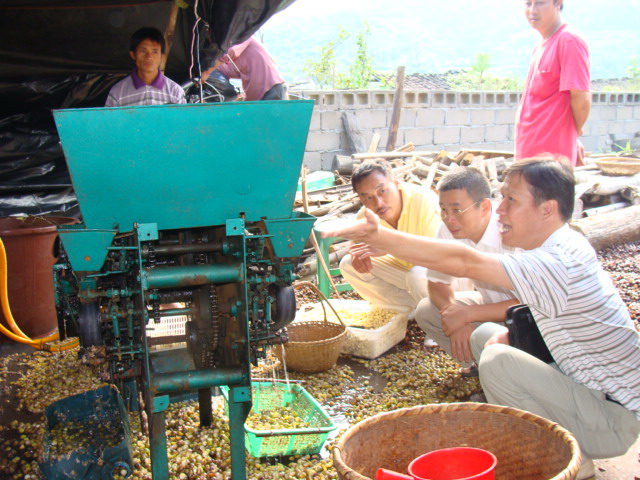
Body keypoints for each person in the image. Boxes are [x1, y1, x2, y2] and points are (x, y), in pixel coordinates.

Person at [322, 158, 640, 480]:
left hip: (611, 419)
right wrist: (509, 334)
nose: (500, 210)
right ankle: (550, 435)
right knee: (489, 339)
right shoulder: (558, 245)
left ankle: (569, 459)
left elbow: (464, 262)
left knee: (498, 362)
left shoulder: (557, 260)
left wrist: (381, 237)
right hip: (587, 391)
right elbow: (537, 312)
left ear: (547, 209)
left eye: (511, 200)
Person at [415, 168, 518, 374]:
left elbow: (531, 303)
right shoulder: (448, 230)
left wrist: (467, 314)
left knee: (495, 339)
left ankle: (508, 375)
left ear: (485, 207)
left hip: (528, 316)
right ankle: (479, 365)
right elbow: (437, 282)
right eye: (443, 210)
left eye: (457, 210)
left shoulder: (512, 231)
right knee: (427, 310)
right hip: (490, 306)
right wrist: (455, 316)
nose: (448, 218)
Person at [339, 160, 440, 314]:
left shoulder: (424, 201)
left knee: (417, 275)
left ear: (396, 184)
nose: (378, 203)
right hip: (407, 272)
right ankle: (410, 311)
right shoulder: (365, 218)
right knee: (349, 265)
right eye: (368, 198)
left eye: (382, 191)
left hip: (447, 276)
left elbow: (435, 255)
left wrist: (390, 246)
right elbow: (357, 249)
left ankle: (441, 320)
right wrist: (358, 256)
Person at [515, 0, 591, 167]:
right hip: (529, 151)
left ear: (558, 4)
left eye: (540, 3)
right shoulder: (540, 46)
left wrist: (571, 136)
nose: (532, 10)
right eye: (528, 4)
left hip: (550, 161)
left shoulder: (568, 40)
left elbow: (581, 99)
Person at [105, 27, 186, 107]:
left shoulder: (175, 92)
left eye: (154, 52)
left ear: (162, 56)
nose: (149, 57)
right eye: (143, 51)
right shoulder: (117, 93)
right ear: (133, 54)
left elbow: (184, 116)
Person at [200, 36, 286, 101]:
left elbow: (231, 53)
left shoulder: (245, 37)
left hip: (272, 89)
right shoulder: (233, 62)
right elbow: (222, 72)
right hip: (255, 98)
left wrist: (207, 72)